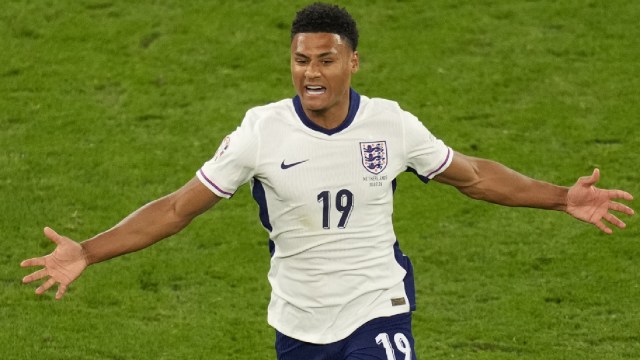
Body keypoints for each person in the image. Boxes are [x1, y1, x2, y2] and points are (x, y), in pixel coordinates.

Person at [21, 3, 634, 359]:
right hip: (297, 319)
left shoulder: (390, 124)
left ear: (352, 62)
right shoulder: (260, 133)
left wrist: (561, 198)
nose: (311, 72)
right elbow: (180, 208)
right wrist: (89, 252)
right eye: (301, 59)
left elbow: (472, 177)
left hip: (378, 306)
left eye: (326, 59)